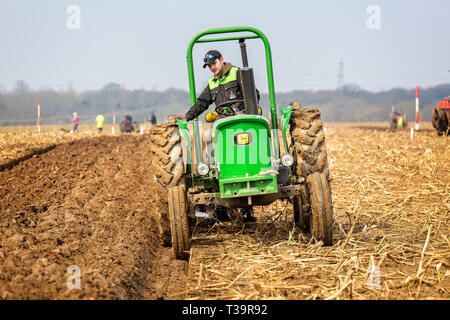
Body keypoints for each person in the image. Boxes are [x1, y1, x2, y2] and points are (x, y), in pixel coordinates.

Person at [175, 50, 260, 121]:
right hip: (223, 120)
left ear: (221, 60)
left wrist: (244, 112)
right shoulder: (212, 83)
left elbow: (254, 94)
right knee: (210, 136)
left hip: (242, 118)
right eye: (209, 66)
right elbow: (201, 103)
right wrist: (186, 117)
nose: (212, 68)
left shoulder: (237, 73)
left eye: (214, 63)